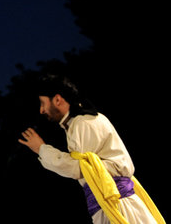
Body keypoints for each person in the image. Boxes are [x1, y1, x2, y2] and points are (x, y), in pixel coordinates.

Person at [18, 75, 162, 224]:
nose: (41, 110)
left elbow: (82, 167)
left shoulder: (85, 122)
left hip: (118, 203)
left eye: (43, 103)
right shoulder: (77, 124)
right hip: (108, 203)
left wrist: (42, 149)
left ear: (57, 99)